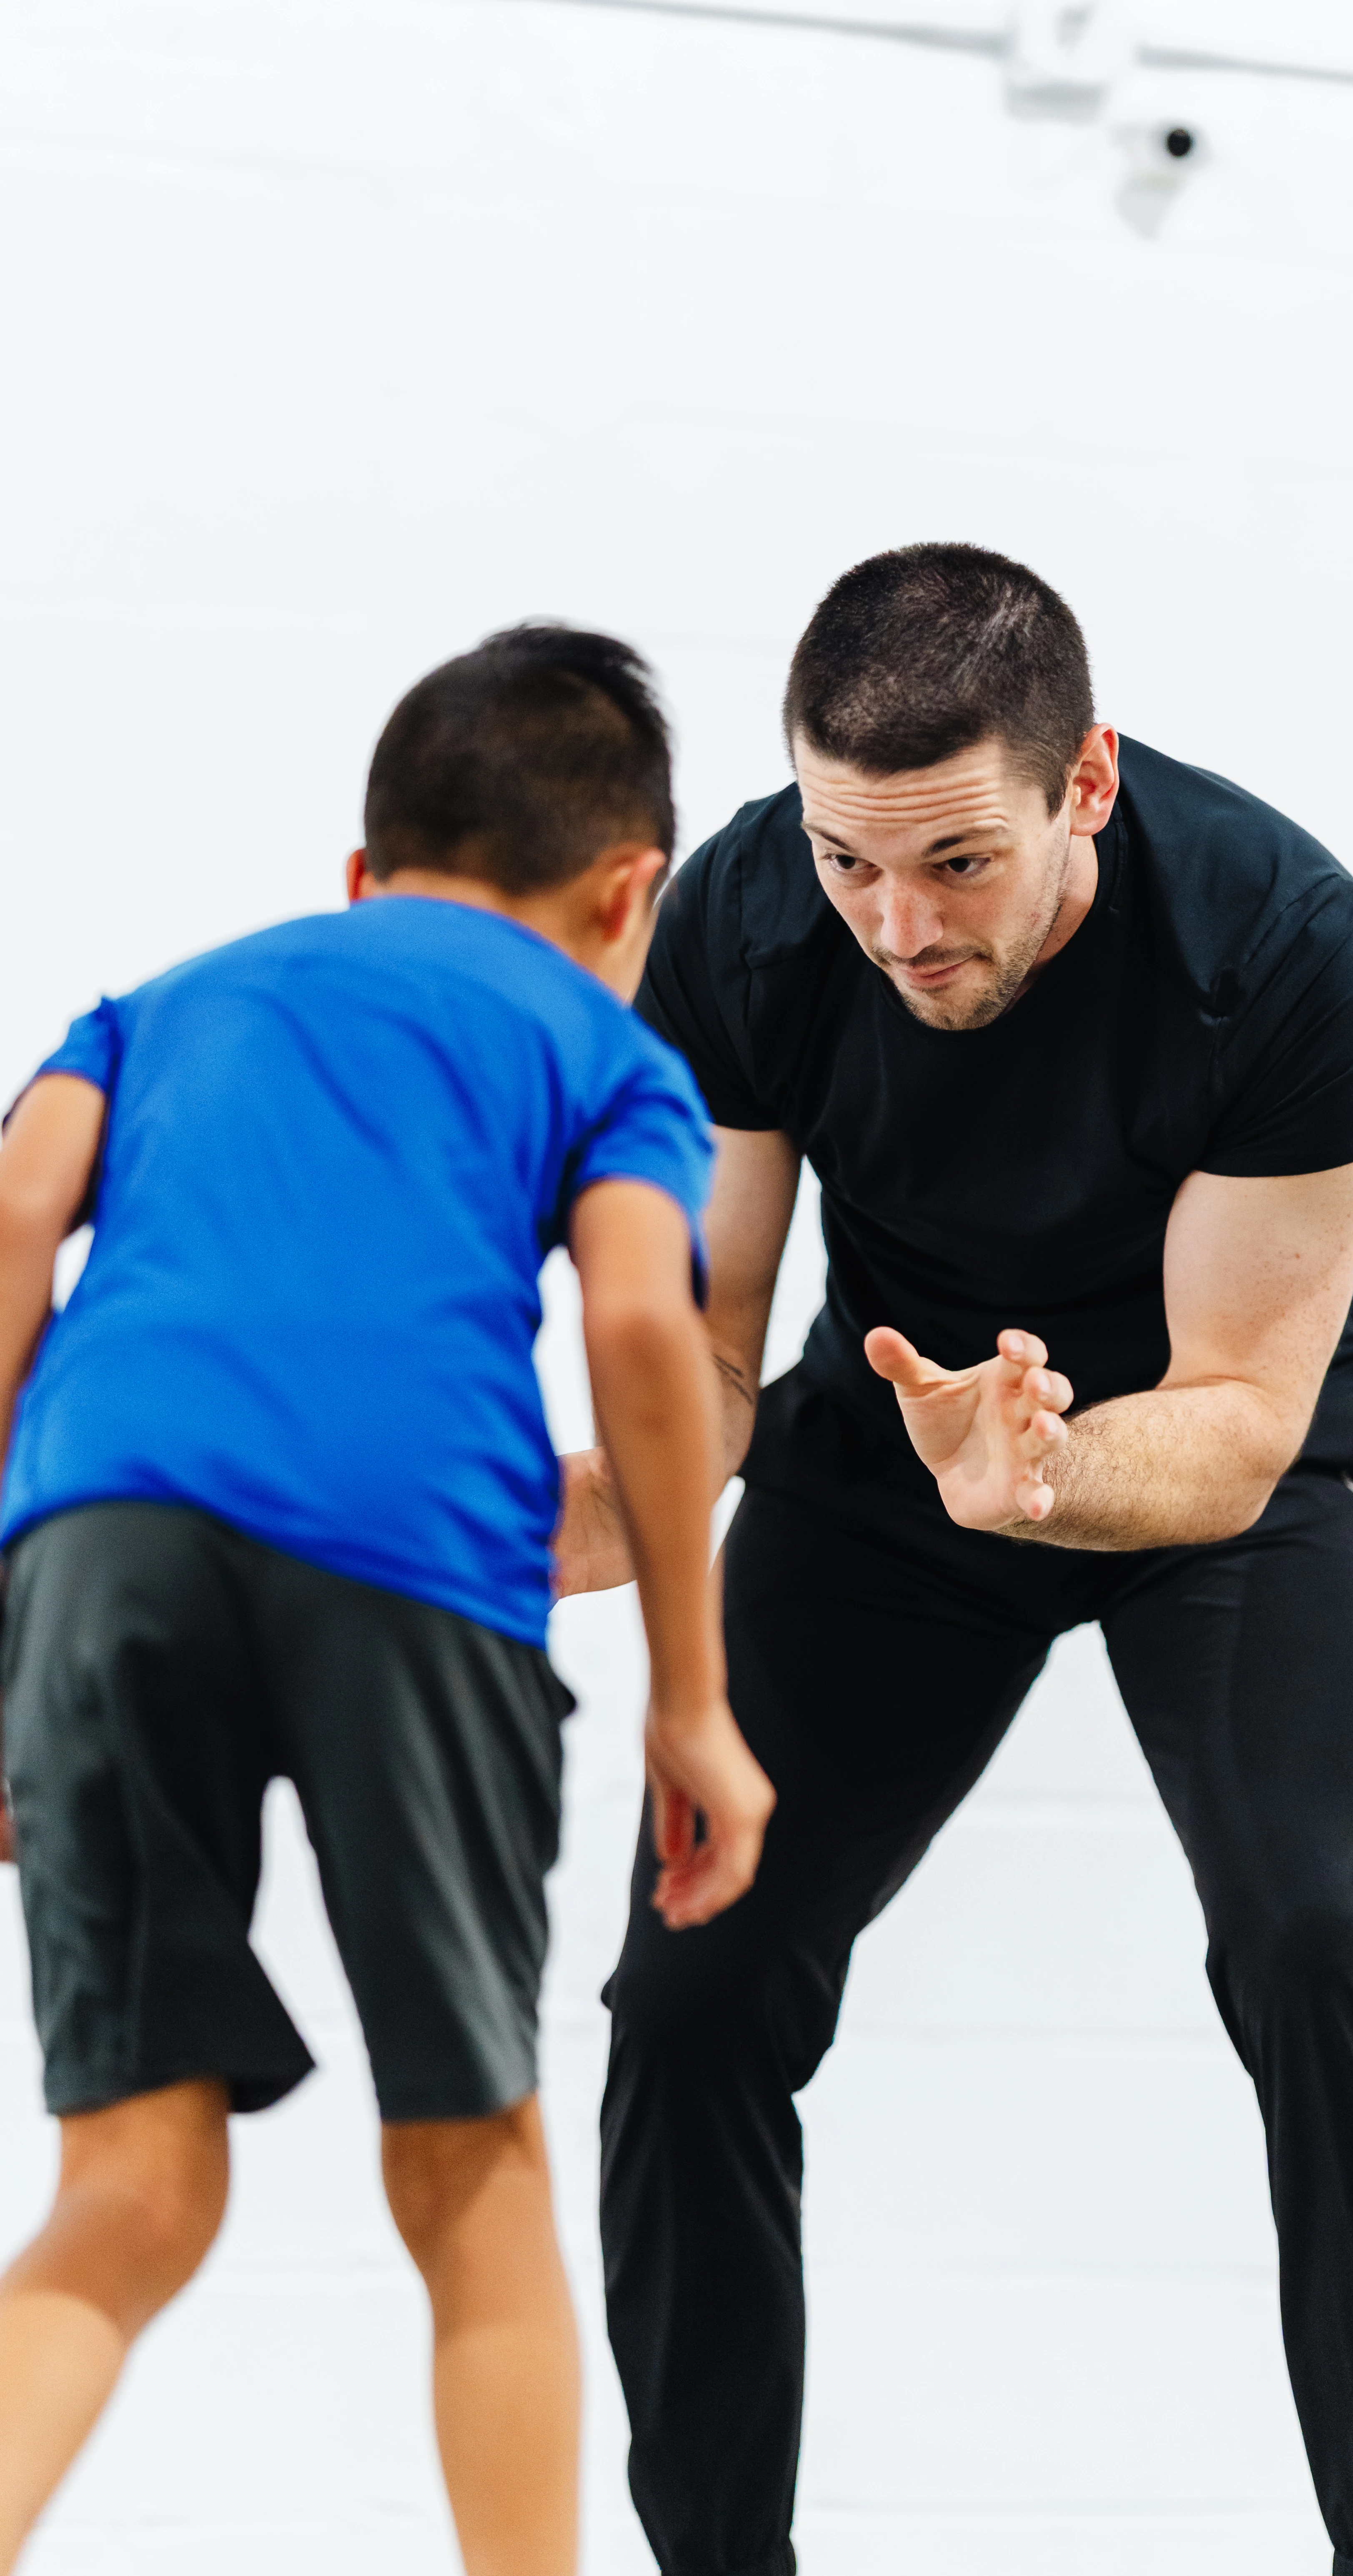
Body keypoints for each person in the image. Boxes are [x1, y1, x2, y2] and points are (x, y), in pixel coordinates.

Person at [557, 545, 1353, 2576]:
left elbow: (1239, 1408)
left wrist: (1053, 1472)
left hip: (1225, 1467)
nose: (899, 924)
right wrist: (518, 1520)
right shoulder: (747, 917)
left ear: (1088, 785)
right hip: (899, 1448)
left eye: (959, 862)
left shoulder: (1289, 942)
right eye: (851, 860)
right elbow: (704, 1364)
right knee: (693, 1988)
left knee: (1317, 1946)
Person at [0, 625, 774, 2576]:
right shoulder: (605, 1046)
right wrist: (692, 1694)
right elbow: (641, 1327)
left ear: (364, 871)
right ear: (630, 896)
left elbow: (12, 1216)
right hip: (413, 1552)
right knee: (470, 2168)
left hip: (100, 1529)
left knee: (131, 2182)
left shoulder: (157, 1007)